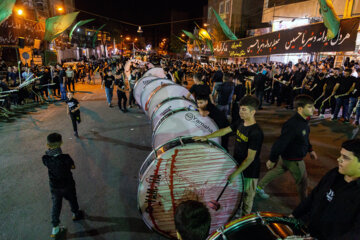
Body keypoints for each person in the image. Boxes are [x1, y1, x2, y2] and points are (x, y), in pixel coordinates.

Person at [194, 96, 264, 216]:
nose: (240, 112)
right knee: (237, 194)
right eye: (240, 109)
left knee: (247, 198)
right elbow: (225, 130)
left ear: (253, 112)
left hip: (250, 171)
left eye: (244, 110)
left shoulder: (256, 132)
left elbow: (250, 158)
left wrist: (235, 173)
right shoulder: (241, 123)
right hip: (237, 164)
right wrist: (206, 137)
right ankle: (237, 212)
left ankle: (244, 219)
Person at [292, 139, 360, 240]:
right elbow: (313, 197)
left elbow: (355, 234)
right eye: (340, 155)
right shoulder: (334, 174)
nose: (338, 159)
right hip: (308, 231)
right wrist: (293, 216)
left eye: (345, 158)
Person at [257, 95, 318, 201]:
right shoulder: (293, 124)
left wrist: (310, 149)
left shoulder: (304, 121)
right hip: (295, 160)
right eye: (309, 107)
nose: (313, 109)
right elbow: (280, 143)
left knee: (276, 171)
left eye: (313, 106)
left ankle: (259, 187)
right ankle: (304, 206)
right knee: (303, 183)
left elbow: (304, 138)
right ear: (300, 109)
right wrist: (272, 159)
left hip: (285, 158)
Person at [42, 133, 84, 239]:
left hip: (55, 187)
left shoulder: (45, 158)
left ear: (47, 145)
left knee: (56, 205)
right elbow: (73, 167)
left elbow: (49, 164)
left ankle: (55, 228)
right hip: (67, 184)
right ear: (61, 143)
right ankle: (75, 214)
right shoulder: (66, 157)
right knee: (72, 199)